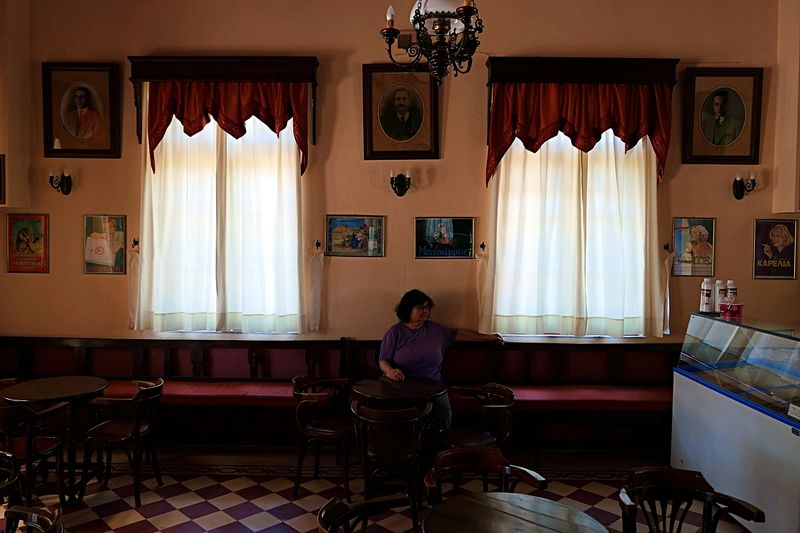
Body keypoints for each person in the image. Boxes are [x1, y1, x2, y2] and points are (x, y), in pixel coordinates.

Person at [379, 289, 504, 430]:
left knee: (444, 414)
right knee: (399, 419)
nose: (425, 310)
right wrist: (390, 371)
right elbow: (383, 360)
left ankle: (440, 447)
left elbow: (459, 334)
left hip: (433, 385)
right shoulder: (395, 332)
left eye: (427, 307)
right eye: (420, 307)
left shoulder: (436, 330)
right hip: (401, 385)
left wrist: (488, 337)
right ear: (407, 309)